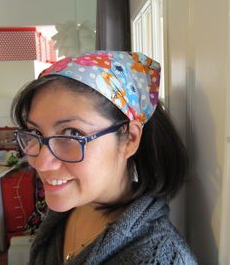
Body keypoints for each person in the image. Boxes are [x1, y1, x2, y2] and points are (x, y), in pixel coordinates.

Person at [11, 51, 197, 265]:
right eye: (35, 133)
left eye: (73, 134)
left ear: (131, 138)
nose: (41, 163)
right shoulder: (73, 208)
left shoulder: (160, 259)